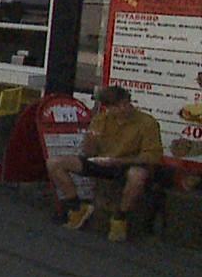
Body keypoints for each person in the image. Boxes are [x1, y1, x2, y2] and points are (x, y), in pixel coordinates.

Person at [47, 85, 165, 242]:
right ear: (108, 108)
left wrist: (118, 161)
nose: (123, 109)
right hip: (102, 161)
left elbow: (151, 156)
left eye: (125, 104)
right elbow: (88, 152)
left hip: (126, 164)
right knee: (54, 163)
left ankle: (120, 217)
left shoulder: (146, 122)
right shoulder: (101, 119)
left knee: (137, 176)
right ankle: (76, 207)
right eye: (117, 106)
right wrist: (90, 139)